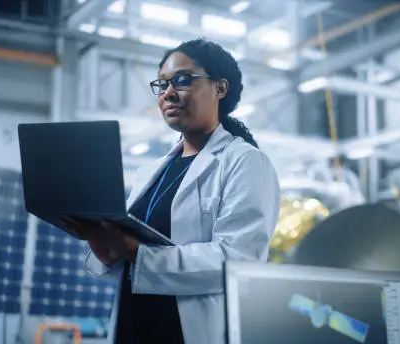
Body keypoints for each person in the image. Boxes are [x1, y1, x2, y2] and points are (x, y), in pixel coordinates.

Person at [62, 39, 281, 344]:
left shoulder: (245, 162)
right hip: (133, 326)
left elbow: (238, 260)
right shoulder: (150, 173)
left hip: (189, 333)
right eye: (162, 84)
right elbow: (135, 270)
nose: (168, 93)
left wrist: (137, 251)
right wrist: (106, 246)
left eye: (182, 80)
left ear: (220, 88)